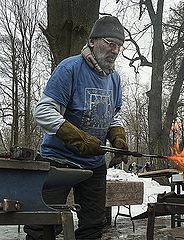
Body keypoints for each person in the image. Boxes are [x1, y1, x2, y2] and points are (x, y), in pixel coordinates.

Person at [24, 16, 128, 240]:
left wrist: (117, 137)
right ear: (92, 41)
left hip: (94, 165)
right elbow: (43, 111)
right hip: (59, 160)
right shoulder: (70, 68)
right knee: (43, 226)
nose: (115, 50)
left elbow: (114, 115)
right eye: (110, 43)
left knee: (92, 228)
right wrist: (78, 138)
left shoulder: (115, 79)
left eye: (119, 45)